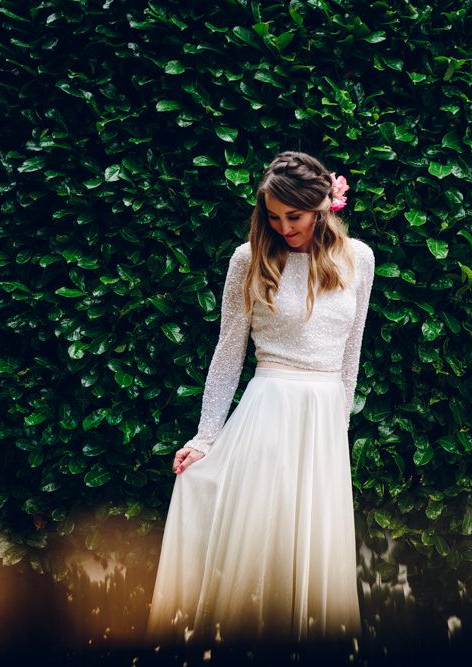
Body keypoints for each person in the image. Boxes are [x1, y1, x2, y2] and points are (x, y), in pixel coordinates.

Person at [146, 151, 375, 645]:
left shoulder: (359, 258)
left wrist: (338, 426)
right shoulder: (248, 258)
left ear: (321, 206)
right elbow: (228, 351)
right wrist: (206, 437)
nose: (283, 226)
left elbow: (350, 353)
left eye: (293, 216)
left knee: (310, 556)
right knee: (257, 549)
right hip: (267, 412)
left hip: (322, 424)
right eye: (273, 216)